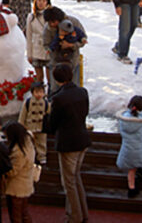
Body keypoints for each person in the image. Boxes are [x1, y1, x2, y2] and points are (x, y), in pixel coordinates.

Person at [48, 63, 91, 223]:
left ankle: (75, 217)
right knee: (76, 177)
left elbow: (53, 124)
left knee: (69, 182)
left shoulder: (58, 98)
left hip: (68, 143)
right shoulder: (82, 92)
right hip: (82, 138)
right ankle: (82, 213)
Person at [116, 95, 142, 198]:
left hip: (127, 150)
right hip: (141, 150)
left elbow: (121, 132)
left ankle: (131, 188)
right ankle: (141, 171)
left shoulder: (124, 118)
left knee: (131, 169)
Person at [42, 7, 86, 91]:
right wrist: (56, 46)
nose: (51, 24)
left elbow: (83, 39)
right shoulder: (47, 29)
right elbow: (46, 45)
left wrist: (71, 45)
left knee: (73, 88)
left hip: (72, 61)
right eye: (49, 22)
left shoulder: (73, 22)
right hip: (56, 63)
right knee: (55, 89)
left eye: (53, 22)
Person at [2, 121, 36, 223]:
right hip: (25, 184)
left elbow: (12, 171)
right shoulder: (28, 144)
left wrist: (3, 169)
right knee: (24, 213)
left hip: (16, 187)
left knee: (16, 215)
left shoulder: (19, 152)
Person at [18, 81, 49, 165]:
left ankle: (42, 157)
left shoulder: (46, 103)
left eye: (41, 92)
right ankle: (30, 157)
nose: (39, 94)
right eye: (36, 92)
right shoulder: (28, 102)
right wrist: (21, 126)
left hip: (41, 127)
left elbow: (49, 114)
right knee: (29, 143)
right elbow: (23, 115)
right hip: (30, 126)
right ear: (32, 93)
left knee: (42, 143)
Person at [26, 0, 52, 86]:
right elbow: (29, 36)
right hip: (36, 49)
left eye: (43, 0)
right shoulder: (31, 17)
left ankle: (50, 97)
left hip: (48, 49)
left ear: (47, 3)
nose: (41, 3)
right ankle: (40, 96)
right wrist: (29, 54)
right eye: (39, 0)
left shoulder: (51, 15)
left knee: (50, 78)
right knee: (39, 78)